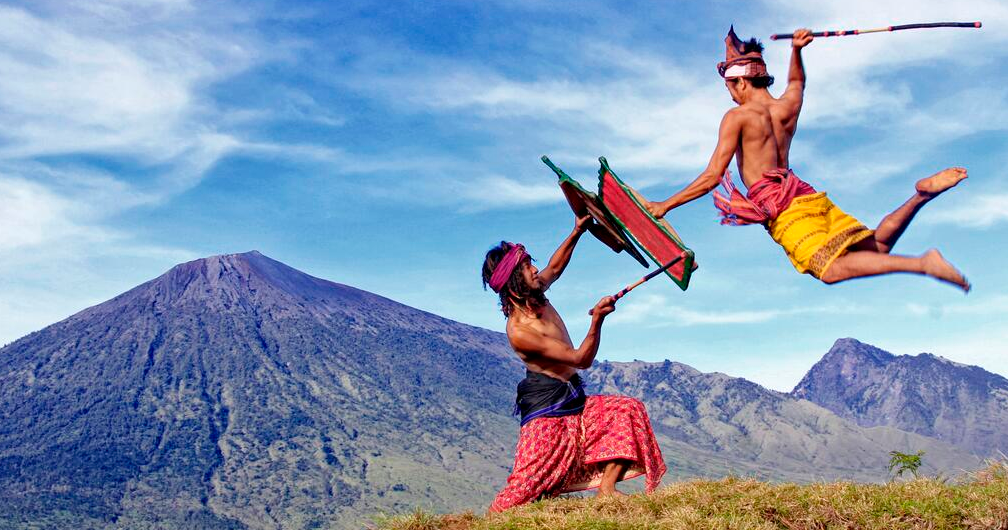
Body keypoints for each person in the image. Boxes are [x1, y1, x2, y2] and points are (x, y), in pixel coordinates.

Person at [643, 27, 970, 292]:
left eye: (730, 86)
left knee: (828, 270)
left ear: (740, 80)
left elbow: (713, 175)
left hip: (783, 207)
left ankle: (922, 263)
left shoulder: (738, 116)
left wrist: (665, 206)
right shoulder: (787, 107)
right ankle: (921, 196)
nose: (729, 94)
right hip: (806, 194)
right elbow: (797, 82)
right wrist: (797, 50)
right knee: (875, 249)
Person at [482, 215, 666, 512]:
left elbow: (555, 266)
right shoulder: (520, 332)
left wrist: (578, 230)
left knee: (626, 410)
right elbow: (581, 359)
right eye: (527, 266)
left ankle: (607, 490)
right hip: (548, 414)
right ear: (515, 279)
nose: (535, 269)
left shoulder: (536, 292)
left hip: (574, 401)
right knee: (521, 493)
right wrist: (598, 320)